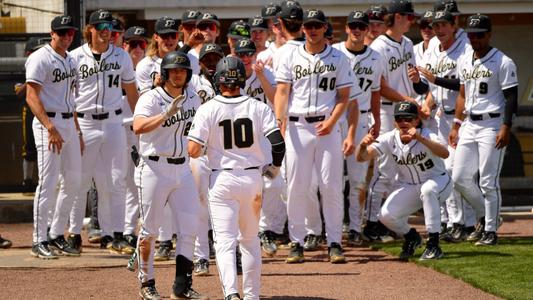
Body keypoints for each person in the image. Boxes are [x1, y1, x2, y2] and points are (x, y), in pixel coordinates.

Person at [188, 56, 285, 300]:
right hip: (252, 180)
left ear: (218, 80)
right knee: (250, 241)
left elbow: (193, 150)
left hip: (222, 179)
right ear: (242, 79)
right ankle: (252, 296)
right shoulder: (259, 107)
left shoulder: (208, 108)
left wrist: (209, 146)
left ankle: (231, 294)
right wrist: (274, 167)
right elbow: (278, 144)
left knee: (224, 242)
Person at [274, 9, 354, 264]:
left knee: (331, 186)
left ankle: (334, 243)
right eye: (309, 26)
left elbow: (344, 97)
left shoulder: (339, 58)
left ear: (325, 28)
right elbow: (283, 91)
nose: (313, 30)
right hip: (298, 126)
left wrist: (332, 121)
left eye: (317, 25)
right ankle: (296, 241)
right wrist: (279, 122)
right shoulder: (290, 55)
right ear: (303, 28)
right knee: (297, 185)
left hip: (327, 126)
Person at [133, 51, 208, 300]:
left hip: (183, 168)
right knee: (151, 231)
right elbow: (138, 126)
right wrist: (165, 114)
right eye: (174, 70)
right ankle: (147, 283)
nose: (178, 74)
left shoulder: (193, 99)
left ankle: (182, 286)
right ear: (165, 73)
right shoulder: (151, 98)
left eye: (183, 70)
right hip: (154, 167)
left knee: (189, 229)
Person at [64, 9, 139, 254]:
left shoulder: (122, 56)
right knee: (81, 181)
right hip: (85, 123)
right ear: (91, 30)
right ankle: (74, 234)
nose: (107, 31)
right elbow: (67, 95)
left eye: (110, 27)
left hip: (114, 122)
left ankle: (115, 234)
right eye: (102, 27)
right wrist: (74, 128)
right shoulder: (74, 57)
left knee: (115, 180)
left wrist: (139, 122)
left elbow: (131, 91)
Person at [449, 14, 518, 246]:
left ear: (489, 34)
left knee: (488, 181)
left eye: (479, 34)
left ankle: (490, 230)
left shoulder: (503, 61)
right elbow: (461, 94)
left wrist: (506, 127)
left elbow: (511, 98)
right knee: (458, 178)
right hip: (469, 123)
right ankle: (489, 217)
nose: (475, 39)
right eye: (471, 34)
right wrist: (456, 124)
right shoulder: (464, 59)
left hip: (492, 123)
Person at [364, 0, 426, 243]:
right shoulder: (378, 46)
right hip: (387, 111)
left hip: (406, 112)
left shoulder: (408, 43)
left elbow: (411, 80)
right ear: (397, 17)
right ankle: (371, 224)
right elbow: (379, 87)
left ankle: (387, 221)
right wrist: (406, 98)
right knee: (384, 170)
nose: (412, 21)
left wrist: (417, 87)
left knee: (401, 171)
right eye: (409, 17)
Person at [356, 101, 451, 261]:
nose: (403, 123)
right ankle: (412, 237)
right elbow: (362, 158)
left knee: (428, 190)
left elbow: (445, 153)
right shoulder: (389, 138)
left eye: (408, 118)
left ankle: (434, 245)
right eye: (399, 119)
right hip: (410, 187)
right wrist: (363, 146)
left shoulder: (427, 134)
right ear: (394, 121)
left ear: (416, 120)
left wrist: (420, 138)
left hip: (439, 181)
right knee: (385, 216)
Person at [416, 10, 476, 242]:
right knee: (443, 170)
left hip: (461, 118)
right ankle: (457, 223)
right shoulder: (432, 48)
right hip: (440, 117)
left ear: (454, 25)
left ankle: (466, 223)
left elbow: (464, 85)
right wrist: (417, 82)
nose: (438, 30)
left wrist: (434, 80)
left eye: (443, 25)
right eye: (435, 25)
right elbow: (425, 88)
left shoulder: (466, 49)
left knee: (456, 172)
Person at [25, 15, 82, 258]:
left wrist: (77, 131)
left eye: (70, 33)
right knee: (48, 183)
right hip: (48, 122)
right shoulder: (40, 57)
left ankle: (57, 233)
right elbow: (31, 95)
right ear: (52, 34)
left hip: (69, 121)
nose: (67, 37)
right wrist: (50, 127)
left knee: (74, 181)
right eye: (62, 33)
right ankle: (39, 239)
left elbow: (71, 98)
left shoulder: (70, 60)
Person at [333, 10, 384, 246]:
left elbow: (375, 93)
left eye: (361, 26)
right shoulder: (334, 53)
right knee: (329, 180)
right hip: (334, 120)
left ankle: (355, 227)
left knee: (358, 180)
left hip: (362, 119)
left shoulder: (375, 57)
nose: (356, 30)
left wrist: (377, 120)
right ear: (346, 28)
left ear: (367, 30)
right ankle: (329, 229)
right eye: (353, 25)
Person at [122, 25, 148, 247]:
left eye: (142, 44)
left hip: (139, 131)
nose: (138, 48)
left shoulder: (148, 68)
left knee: (134, 181)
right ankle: (114, 229)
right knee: (116, 180)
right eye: (133, 44)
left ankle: (130, 229)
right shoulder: (119, 65)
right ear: (124, 45)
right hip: (118, 127)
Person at [15, 37, 51, 194]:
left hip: (49, 109)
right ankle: (27, 180)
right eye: (35, 51)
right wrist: (31, 80)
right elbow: (18, 92)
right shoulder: (27, 68)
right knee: (29, 146)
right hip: (30, 110)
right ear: (28, 53)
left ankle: (46, 182)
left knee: (50, 148)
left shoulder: (49, 65)